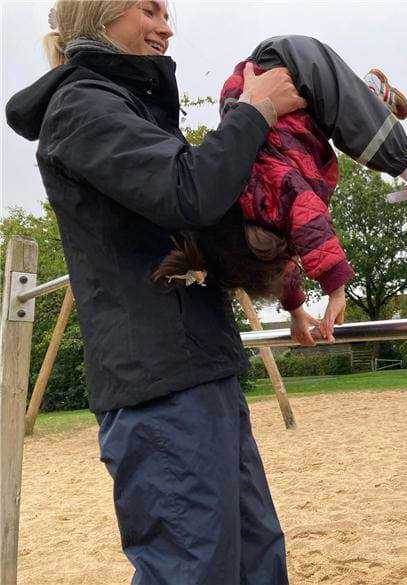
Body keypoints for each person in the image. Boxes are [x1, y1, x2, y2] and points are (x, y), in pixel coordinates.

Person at [5, 1, 305, 582]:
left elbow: (209, 229)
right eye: (149, 9)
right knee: (194, 570)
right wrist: (256, 109)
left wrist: (291, 290)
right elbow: (187, 192)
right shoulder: (81, 107)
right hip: (159, 387)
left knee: (256, 560)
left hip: (198, 370)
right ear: (99, 14)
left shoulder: (131, 109)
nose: (167, 26)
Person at [153, 35, 407, 347]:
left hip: (286, 66)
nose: (279, 248)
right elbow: (280, 259)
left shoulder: (263, 194)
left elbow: (309, 219)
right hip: (281, 107)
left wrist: (335, 287)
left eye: (269, 248)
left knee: (361, 137)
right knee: (342, 115)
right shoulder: (254, 231)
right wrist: (296, 309)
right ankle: (370, 94)